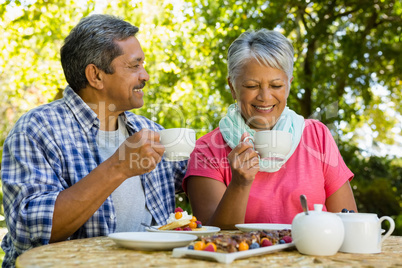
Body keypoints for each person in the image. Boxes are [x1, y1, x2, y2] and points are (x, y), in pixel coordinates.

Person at [1, 14, 187, 267]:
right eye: (134, 66)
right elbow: (30, 228)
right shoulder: (37, 128)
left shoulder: (147, 130)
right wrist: (119, 167)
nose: (146, 76)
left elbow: (202, 176)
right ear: (96, 76)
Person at [183, 29, 357, 229]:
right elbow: (213, 239)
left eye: (276, 86)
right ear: (232, 86)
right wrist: (239, 184)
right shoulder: (206, 149)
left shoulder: (317, 136)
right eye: (251, 86)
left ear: (289, 85)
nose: (265, 97)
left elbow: (349, 223)